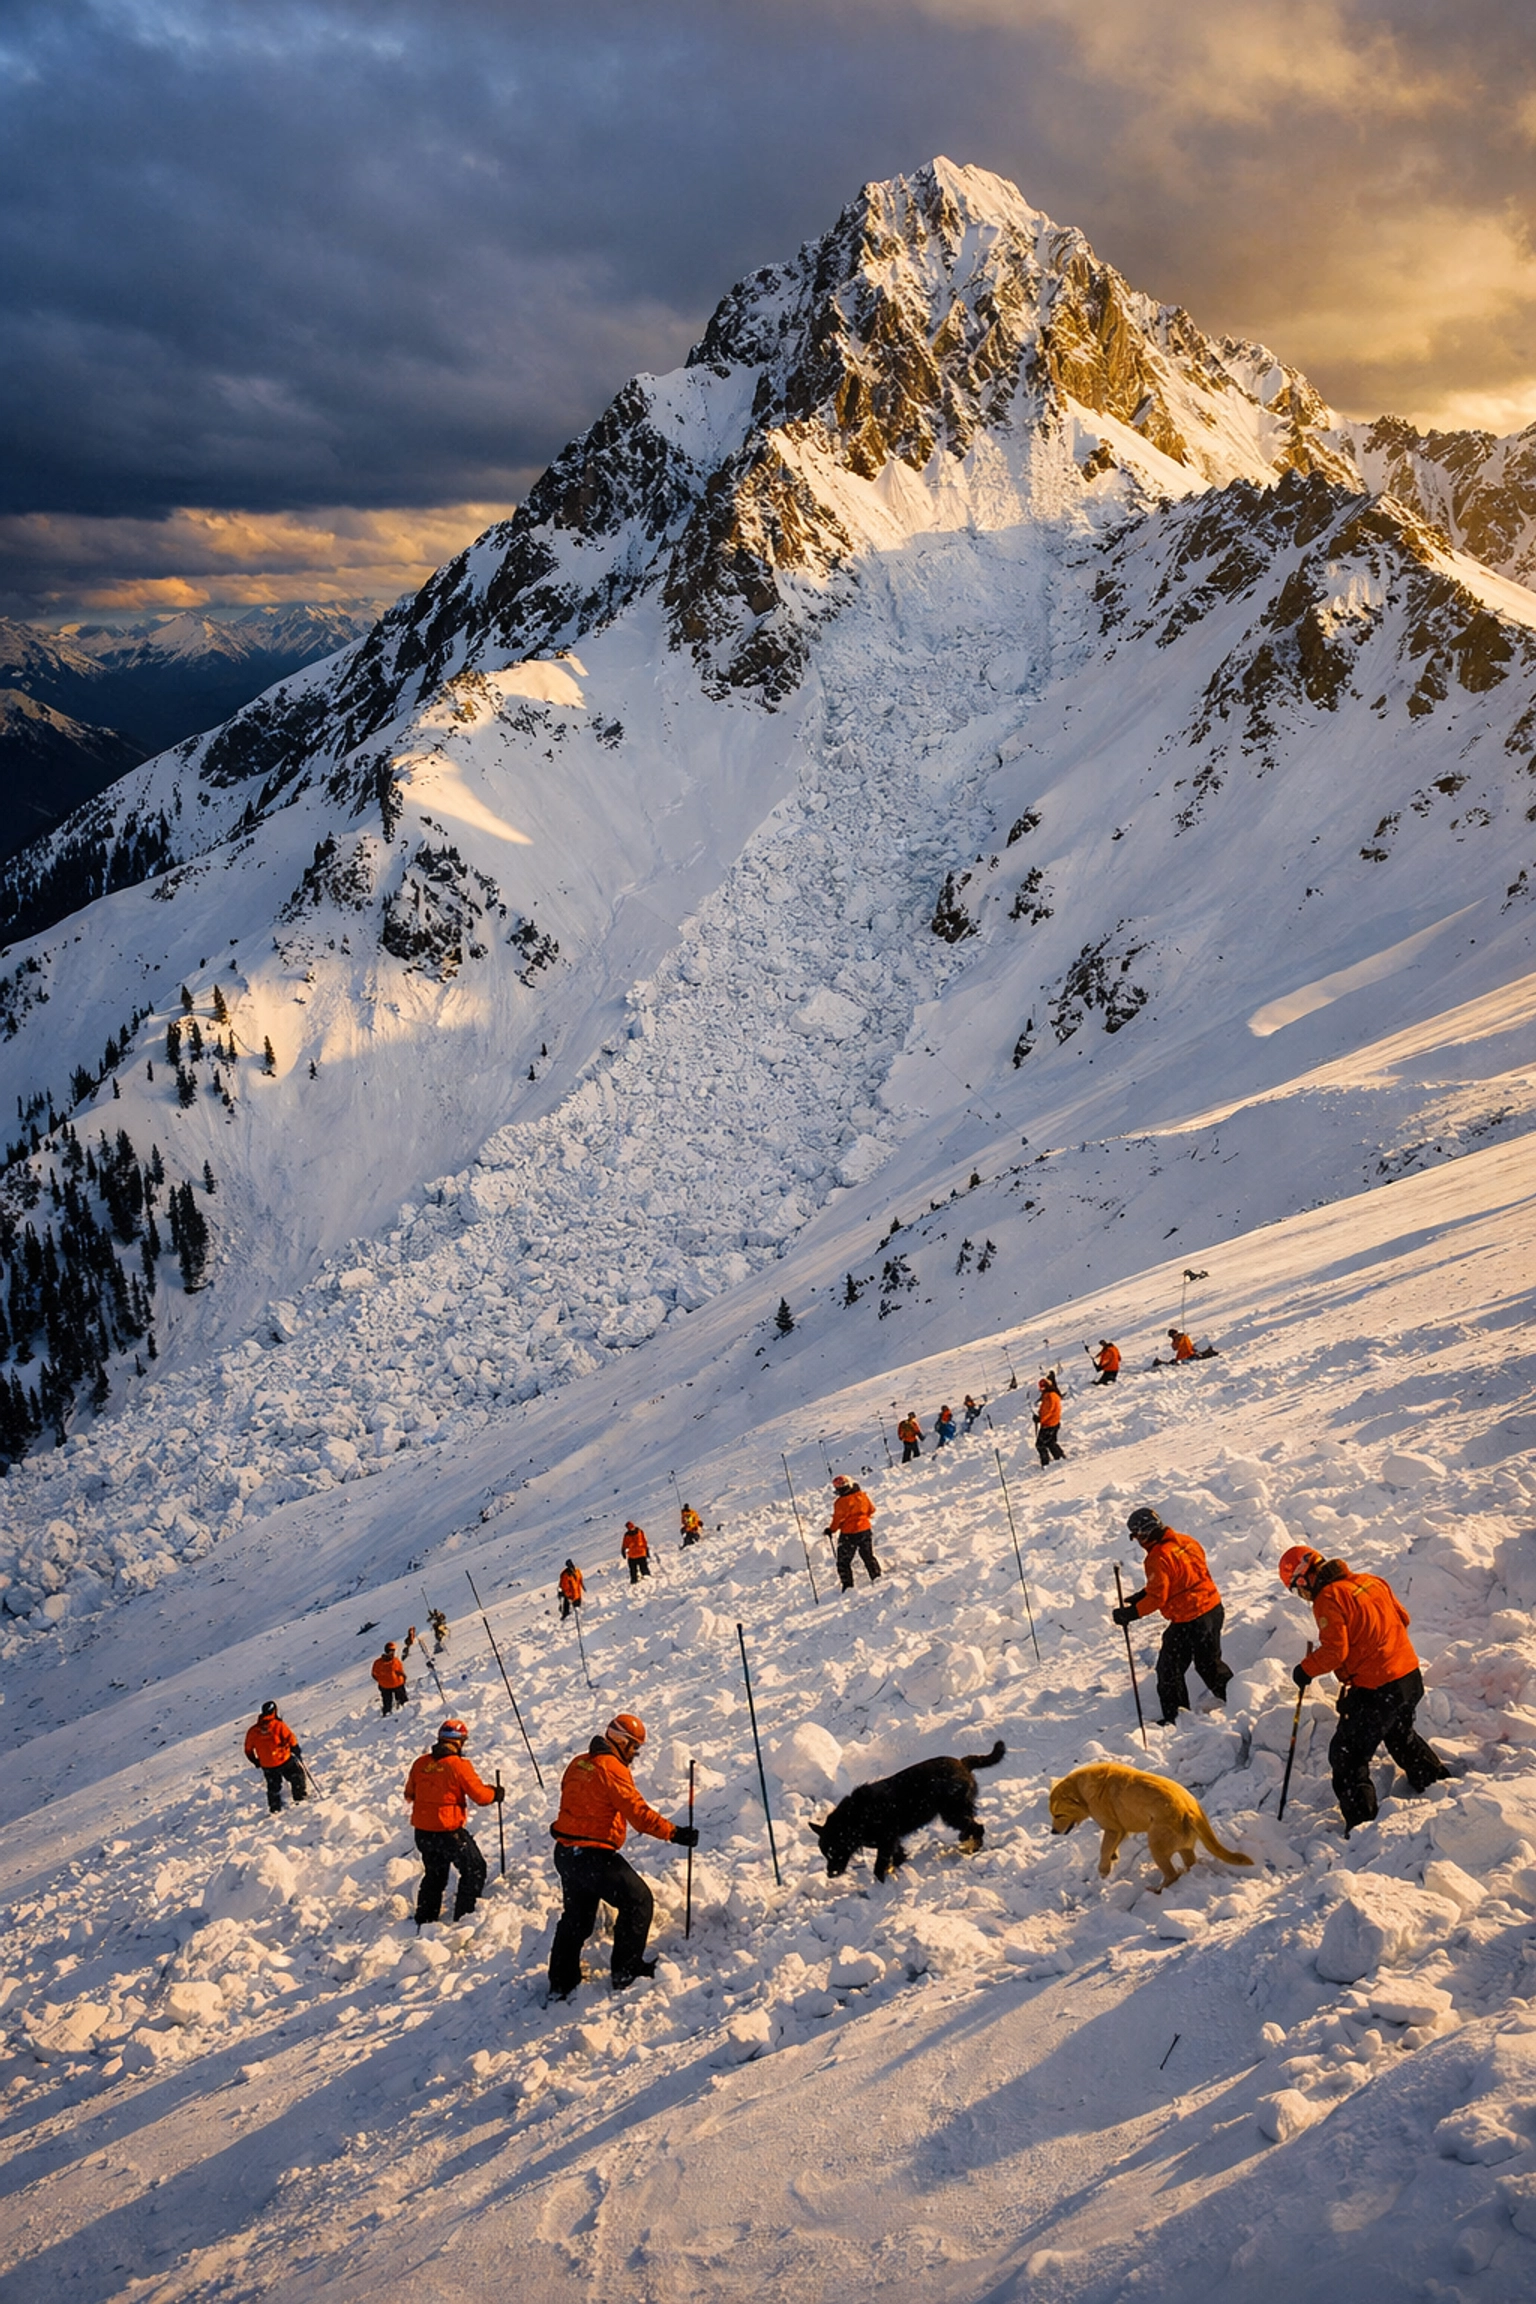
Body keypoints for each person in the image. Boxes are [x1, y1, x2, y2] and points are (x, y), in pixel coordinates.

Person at [1280, 1546, 1448, 1832]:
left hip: (1380, 1688)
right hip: (1408, 1676)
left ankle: (1361, 1829)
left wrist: (1305, 1670)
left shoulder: (1328, 1598)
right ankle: (1439, 1785)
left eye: (1298, 1590)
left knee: (1347, 1756)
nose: (1303, 1597)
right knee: (1398, 1734)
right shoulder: (1370, 1581)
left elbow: (1336, 1651)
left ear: (1304, 1578)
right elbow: (1402, 1618)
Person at [547, 1712, 697, 1999]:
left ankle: (561, 1983)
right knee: (638, 1900)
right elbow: (638, 1814)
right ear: (621, 1741)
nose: (636, 1753)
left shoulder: (578, 1763)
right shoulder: (611, 1767)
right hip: (592, 1855)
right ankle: (626, 1970)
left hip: (566, 1853)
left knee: (576, 1919)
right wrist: (675, 1833)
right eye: (635, 1747)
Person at [1112, 1507, 1232, 1724]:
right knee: (1209, 1665)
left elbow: (1158, 1597)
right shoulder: (1187, 1542)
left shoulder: (1157, 1558)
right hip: (1213, 1608)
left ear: (1145, 1532)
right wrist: (1142, 1595)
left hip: (1190, 1618)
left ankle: (1177, 1719)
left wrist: (1130, 1613)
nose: (1137, 1541)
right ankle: (1238, 1701)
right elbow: (1181, 1578)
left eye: (1136, 1535)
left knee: (1169, 1669)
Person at [403, 1717, 501, 1926]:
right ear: (460, 1742)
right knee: (474, 1868)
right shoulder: (458, 1766)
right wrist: (495, 1793)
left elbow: (409, 1793)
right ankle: (464, 1918)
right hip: (448, 1832)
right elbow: (481, 1797)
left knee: (435, 1875)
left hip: (422, 1832)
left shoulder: (421, 1763)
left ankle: (425, 1919)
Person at [243, 1701, 307, 1814]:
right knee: (296, 1776)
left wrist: (256, 1761)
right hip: (283, 1760)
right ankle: (300, 1799)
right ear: (274, 1711)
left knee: (273, 1786)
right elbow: (291, 1739)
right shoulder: (278, 1725)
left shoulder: (253, 1731)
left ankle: (275, 1808)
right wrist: (296, 1750)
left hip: (267, 1765)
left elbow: (248, 1749)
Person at [825, 1474, 881, 1589]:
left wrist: (831, 1530)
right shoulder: (862, 1496)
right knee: (868, 1556)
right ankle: (877, 1578)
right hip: (865, 1530)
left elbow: (837, 1520)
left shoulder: (840, 1502)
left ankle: (848, 1586)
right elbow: (872, 1510)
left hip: (849, 1534)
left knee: (843, 1562)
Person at [371, 1640, 409, 1715]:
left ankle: (390, 1714)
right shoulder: (393, 1661)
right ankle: (405, 1713)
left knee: (391, 1703)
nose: (392, 1653)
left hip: (390, 1685)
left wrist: (381, 1681)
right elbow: (401, 1672)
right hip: (394, 1685)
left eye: (393, 1651)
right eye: (390, 1651)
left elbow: (374, 1674)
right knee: (400, 1702)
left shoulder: (379, 1662)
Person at [1035, 1373, 1065, 1465]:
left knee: (1040, 1445)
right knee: (1050, 1442)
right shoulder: (1053, 1394)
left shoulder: (1049, 1396)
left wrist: (1039, 1418)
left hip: (1049, 1424)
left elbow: (1048, 1411)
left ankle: (1045, 1463)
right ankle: (1060, 1458)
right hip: (1054, 1422)